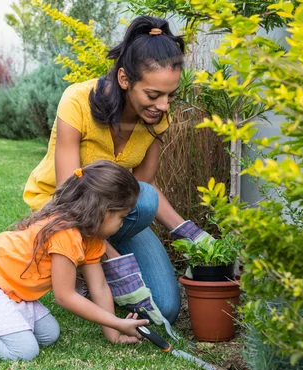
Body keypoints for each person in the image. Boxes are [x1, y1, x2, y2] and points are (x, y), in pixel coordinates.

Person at [23, 16, 212, 324]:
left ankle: (91, 270)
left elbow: (139, 190)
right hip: (62, 213)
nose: (164, 106)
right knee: (142, 203)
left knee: (164, 309)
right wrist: (110, 258)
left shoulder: (157, 119)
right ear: (125, 79)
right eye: (153, 95)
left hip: (114, 215)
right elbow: (68, 198)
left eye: (170, 96)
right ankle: (82, 267)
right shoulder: (78, 102)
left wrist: (192, 235)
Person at [0, 161, 150, 361]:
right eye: (122, 217)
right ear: (103, 211)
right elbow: (66, 297)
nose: (123, 224)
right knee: (24, 351)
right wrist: (118, 322)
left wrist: (114, 333)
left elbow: (99, 287)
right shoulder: (66, 234)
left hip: (8, 289)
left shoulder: (92, 238)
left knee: (48, 335)